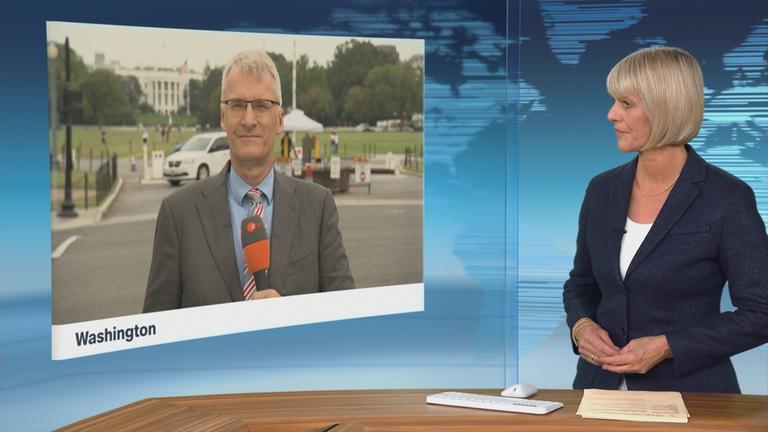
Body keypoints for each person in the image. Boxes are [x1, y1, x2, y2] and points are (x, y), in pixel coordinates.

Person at [563, 46, 768, 393]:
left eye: (626, 104)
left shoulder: (727, 198)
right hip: (598, 391)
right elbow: (581, 284)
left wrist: (668, 345)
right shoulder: (602, 190)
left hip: (692, 398)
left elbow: (762, 313)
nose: (611, 114)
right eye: (614, 102)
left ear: (665, 108)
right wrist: (581, 326)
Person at [144, 50, 354, 312]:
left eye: (262, 106)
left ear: (279, 120)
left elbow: (346, 316)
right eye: (237, 105)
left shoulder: (318, 207)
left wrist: (294, 316)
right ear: (222, 117)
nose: (249, 119)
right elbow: (156, 329)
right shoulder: (178, 214)